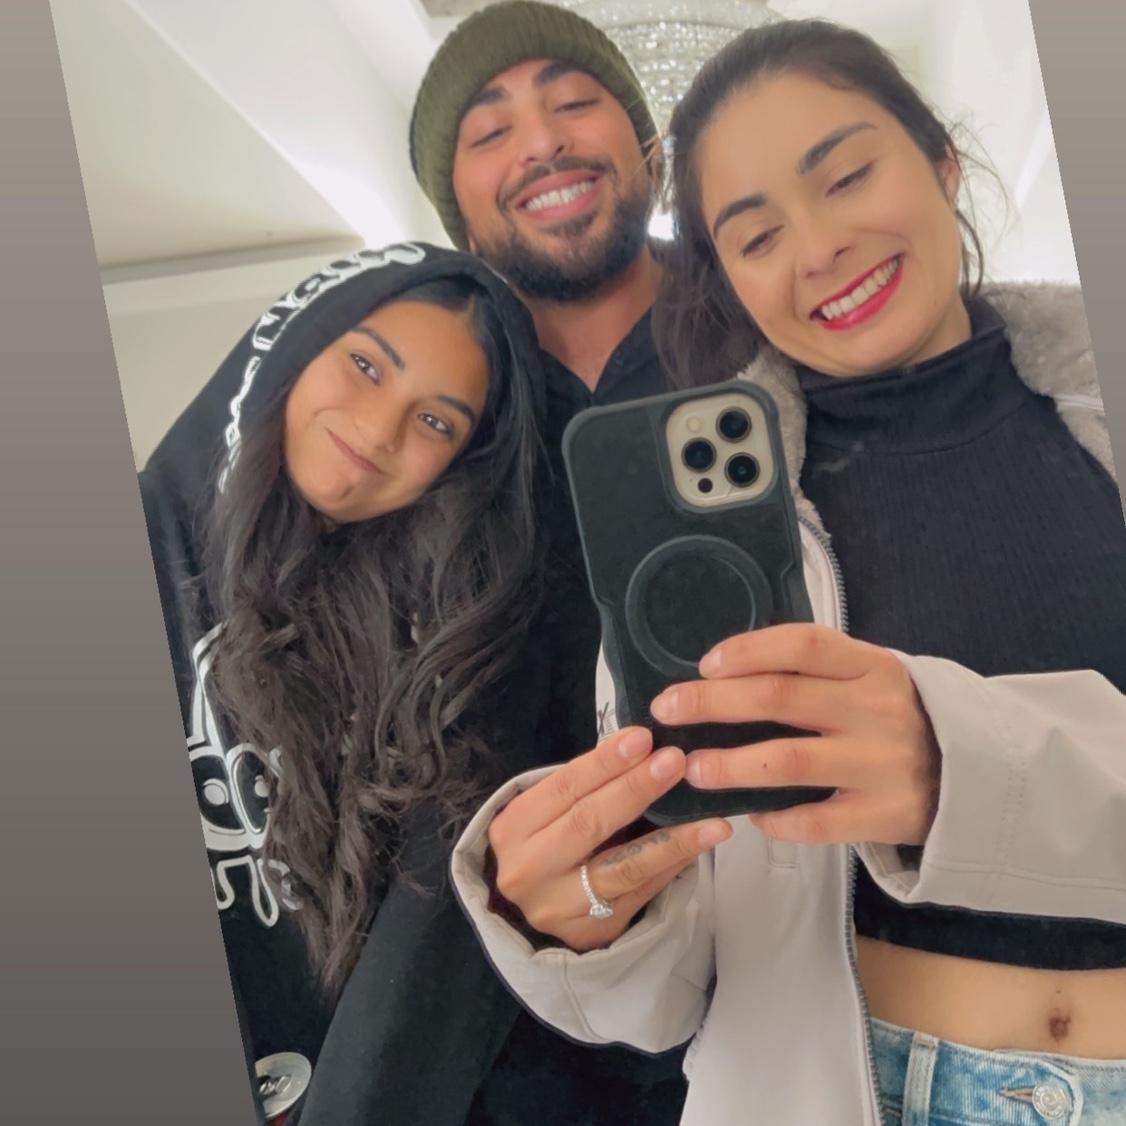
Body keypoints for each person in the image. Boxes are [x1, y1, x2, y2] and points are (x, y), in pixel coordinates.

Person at [450, 18, 1126, 1126]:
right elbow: (673, 995)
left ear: (941, 161)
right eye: (756, 236)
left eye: (847, 176)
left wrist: (962, 768)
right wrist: (581, 921)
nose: (817, 250)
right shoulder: (711, 541)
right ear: (727, 279)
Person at [296, 4, 699, 1124]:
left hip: (787, 948)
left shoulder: (758, 331)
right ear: (456, 209)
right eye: (490, 132)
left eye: (575, 104)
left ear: (645, 149)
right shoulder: (437, 408)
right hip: (498, 1017)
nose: (543, 143)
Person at [139, 243, 550, 1123]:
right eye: (366, 366)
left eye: (435, 421)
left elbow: (420, 964)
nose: (379, 429)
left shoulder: (448, 658)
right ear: (294, 346)